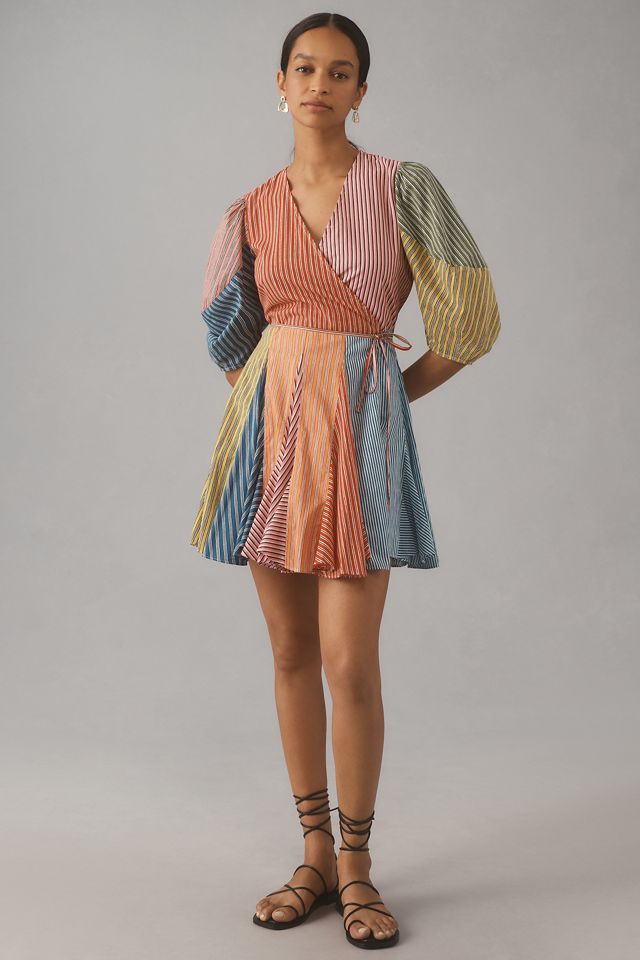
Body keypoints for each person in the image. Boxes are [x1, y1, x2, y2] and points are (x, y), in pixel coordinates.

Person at [190, 11, 501, 949]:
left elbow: (470, 318)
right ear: (279, 83)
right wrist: (284, 405)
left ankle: (360, 867)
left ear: (362, 90)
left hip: (360, 443)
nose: (319, 85)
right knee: (290, 653)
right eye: (303, 68)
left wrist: (382, 400)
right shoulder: (250, 208)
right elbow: (230, 338)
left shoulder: (405, 188)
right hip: (271, 445)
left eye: (338, 71)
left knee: (347, 660)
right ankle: (315, 856)